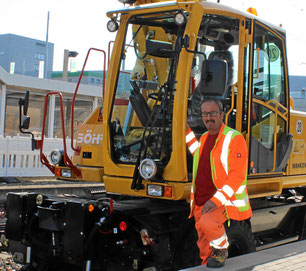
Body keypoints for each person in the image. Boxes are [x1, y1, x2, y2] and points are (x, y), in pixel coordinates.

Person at [186, 97, 252, 268]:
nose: (209, 117)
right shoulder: (204, 138)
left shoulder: (234, 138)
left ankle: (222, 250)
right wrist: (183, 129)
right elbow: (197, 153)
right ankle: (207, 263)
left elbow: (237, 176)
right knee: (203, 243)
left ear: (222, 114)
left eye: (213, 113)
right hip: (201, 200)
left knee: (209, 223)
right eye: (205, 114)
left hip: (220, 199)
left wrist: (216, 200)